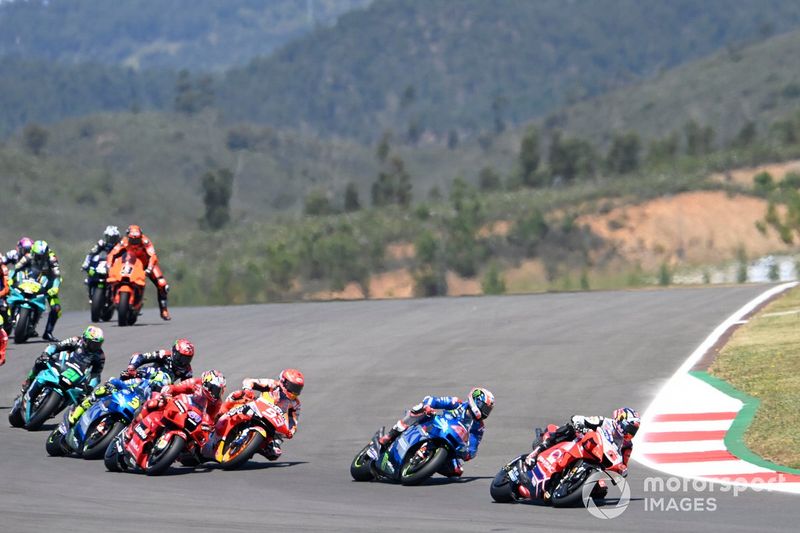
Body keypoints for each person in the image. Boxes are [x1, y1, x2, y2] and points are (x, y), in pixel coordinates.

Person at [525, 407, 640, 499]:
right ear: (620, 420)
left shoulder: (627, 445)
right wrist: (581, 425)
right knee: (569, 429)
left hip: (599, 465)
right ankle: (538, 451)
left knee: (600, 493)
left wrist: (621, 471)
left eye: (632, 432)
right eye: (628, 429)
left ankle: (568, 488)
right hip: (582, 445)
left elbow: (623, 465)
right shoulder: (604, 422)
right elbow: (579, 419)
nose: (629, 434)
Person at [378, 387, 495, 477]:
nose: (485, 413)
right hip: (432, 426)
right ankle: (390, 436)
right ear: (475, 401)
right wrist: (428, 406)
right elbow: (433, 400)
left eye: (488, 410)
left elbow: (473, 447)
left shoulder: (478, 427)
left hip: (451, 444)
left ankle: (426, 465)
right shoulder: (456, 403)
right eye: (485, 408)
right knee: (418, 409)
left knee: (457, 472)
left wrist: (467, 453)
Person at [218, 369, 305, 460]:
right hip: (256, 409)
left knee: (274, 453)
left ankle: (252, 447)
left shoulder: (296, 404)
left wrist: (290, 431)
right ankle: (219, 415)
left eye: (298, 389)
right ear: (284, 382)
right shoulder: (273, 385)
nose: (295, 391)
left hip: (273, 423)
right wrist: (247, 390)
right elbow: (249, 381)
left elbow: (293, 421)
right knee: (237, 395)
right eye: (293, 387)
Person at [65, 365, 171, 427]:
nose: (157, 390)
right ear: (152, 380)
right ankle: (77, 413)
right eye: (156, 386)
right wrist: (113, 383)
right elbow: (122, 382)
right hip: (124, 397)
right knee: (103, 389)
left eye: (160, 389)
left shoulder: (156, 399)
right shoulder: (142, 381)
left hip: (133, 412)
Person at [106, 225, 171, 320]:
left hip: (146, 265)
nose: (134, 242)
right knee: (111, 277)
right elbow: (112, 254)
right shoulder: (123, 241)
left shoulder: (146, 242)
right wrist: (109, 265)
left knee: (162, 284)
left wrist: (149, 268)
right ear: (128, 237)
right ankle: (108, 301)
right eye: (132, 240)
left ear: (141, 236)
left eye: (137, 240)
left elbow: (153, 256)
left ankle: (164, 310)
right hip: (129, 264)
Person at [19, 326, 105, 395]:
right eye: (93, 343)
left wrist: (90, 387)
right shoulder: (76, 341)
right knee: (40, 362)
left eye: (98, 344)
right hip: (61, 363)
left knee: (83, 396)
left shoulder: (100, 356)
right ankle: (29, 380)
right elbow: (55, 346)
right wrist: (46, 354)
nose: (96, 346)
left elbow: (96, 375)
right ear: (85, 340)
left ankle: (71, 414)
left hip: (77, 375)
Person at [14, 240, 62, 341]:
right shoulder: (29, 256)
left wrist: (55, 288)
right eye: (37, 255)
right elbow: (17, 268)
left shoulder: (52, 259)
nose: (40, 258)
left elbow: (57, 276)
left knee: (56, 308)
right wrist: (12, 279)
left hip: (47, 282)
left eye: (42, 256)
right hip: (30, 280)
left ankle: (48, 332)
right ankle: (9, 319)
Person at [122, 338, 195, 382]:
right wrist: (132, 368)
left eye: (187, 359)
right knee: (125, 375)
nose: (183, 362)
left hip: (163, 390)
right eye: (181, 357)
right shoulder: (163, 354)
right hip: (145, 378)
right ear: (175, 352)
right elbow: (139, 356)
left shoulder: (187, 370)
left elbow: (186, 388)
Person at [81, 225, 120, 299]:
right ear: (106, 237)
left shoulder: (120, 246)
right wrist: (86, 264)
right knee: (90, 272)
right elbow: (91, 254)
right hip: (101, 265)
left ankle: (117, 297)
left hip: (114, 267)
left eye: (113, 238)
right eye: (109, 237)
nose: (111, 240)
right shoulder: (101, 244)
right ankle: (90, 285)